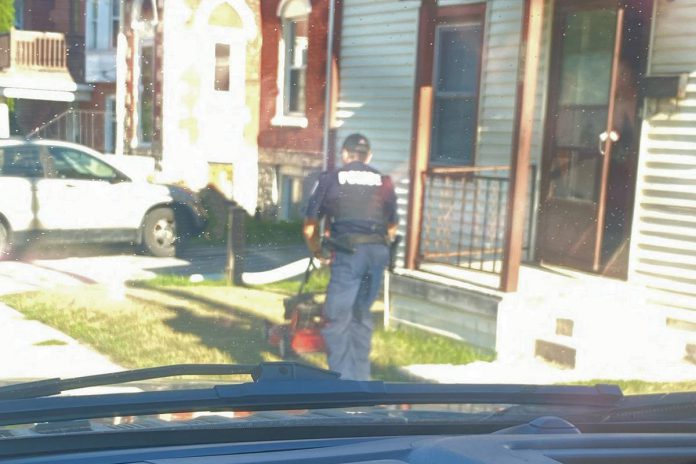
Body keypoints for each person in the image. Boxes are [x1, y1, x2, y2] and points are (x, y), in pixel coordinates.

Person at [303, 134, 398, 380]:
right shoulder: (383, 180)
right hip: (378, 253)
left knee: (337, 319)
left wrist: (317, 251)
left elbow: (309, 226)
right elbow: (391, 227)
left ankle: (342, 386)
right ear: (370, 157)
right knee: (361, 316)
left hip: (349, 254)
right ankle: (361, 383)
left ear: (345, 154)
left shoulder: (331, 178)